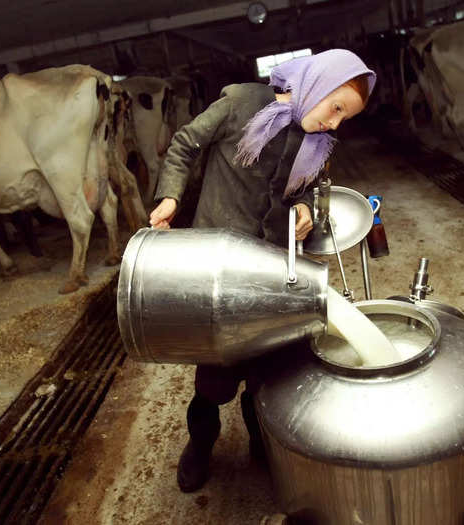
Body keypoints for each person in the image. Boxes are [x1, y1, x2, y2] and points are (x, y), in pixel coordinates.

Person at [148, 49, 376, 493]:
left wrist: (307, 209)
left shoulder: (319, 142)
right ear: (317, 83)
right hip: (217, 267)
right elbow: (184, 145)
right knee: (214, 378)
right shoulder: (239, 103)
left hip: (273, 266)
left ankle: (262, 444)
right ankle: (200, 445)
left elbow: (315, 191)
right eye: (335, 108)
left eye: (345, 118)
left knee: (267, 372)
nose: (335, 124)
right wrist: (171, 197)